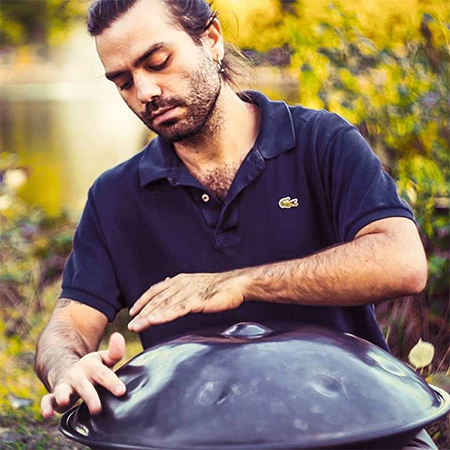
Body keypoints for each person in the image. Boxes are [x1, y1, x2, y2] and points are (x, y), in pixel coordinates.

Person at [35, 0, 436, 448]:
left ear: (211, 38)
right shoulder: (114, 197)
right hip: (200, 438)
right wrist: (66, 365)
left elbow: (402, 262)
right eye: (123, 81)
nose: (145, 91)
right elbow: (67, 327)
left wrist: (240, 283)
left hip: (356, 426)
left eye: (158, 62)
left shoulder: (321, 141)